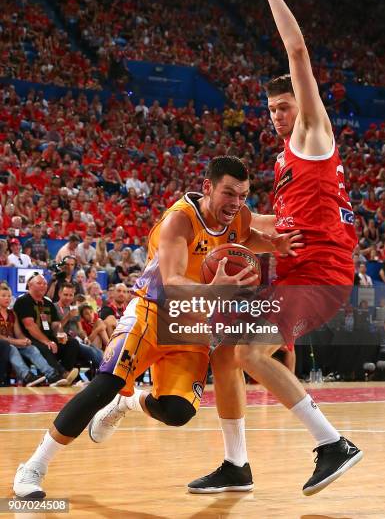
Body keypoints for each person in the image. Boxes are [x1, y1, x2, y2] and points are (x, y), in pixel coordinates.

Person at [13, 155, 301, 498]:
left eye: (243, 195)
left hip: (192, 327)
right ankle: (34, 466)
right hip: (152, 312)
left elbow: (248, 233)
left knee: (178, 412)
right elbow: (175, 280)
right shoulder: (178, 221)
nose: (236, 203)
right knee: (107, 382)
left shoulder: (237, 214)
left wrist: (276, 243)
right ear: (208, 187)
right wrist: (214, 290)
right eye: (229, 193)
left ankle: (128, 404)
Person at [187, 0, 362, 497]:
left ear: (302, 105)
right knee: (226, 347)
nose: (276, 116)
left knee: (252, 352)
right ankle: (236, 464)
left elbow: (298, 51)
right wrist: (226, 221)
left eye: (282, 107)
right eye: (270, 111)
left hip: (322, 274)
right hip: (294, 272)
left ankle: (333, 443)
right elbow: (272, 226)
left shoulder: (313, 137)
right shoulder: (286, 161)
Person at [13, 273, 79, 387]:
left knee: (72, 342)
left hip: (49, 336)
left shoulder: (48, 302)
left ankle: (67, 373)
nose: (43, 286)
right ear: (30, 285)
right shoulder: (23, 301)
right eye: (39, 283)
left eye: (44, 283)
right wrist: (47, 341)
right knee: (45, 346)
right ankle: (61, 375)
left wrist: (60, 332)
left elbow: (55, 324)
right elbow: (30, 326)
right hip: (30, 338)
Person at [54, 283, 103, 372]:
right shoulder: (54, 307)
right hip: (64, 342)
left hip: (78, 340)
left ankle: (101, 375)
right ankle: (105, 376)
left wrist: (85, 337)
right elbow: (56, 329)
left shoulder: (73, 308)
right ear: (59, 294)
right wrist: (68, 316)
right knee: (93, 353)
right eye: (65, 295)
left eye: (71, 295)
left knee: (100, 352)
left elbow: (80, 330)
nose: (68, 298)